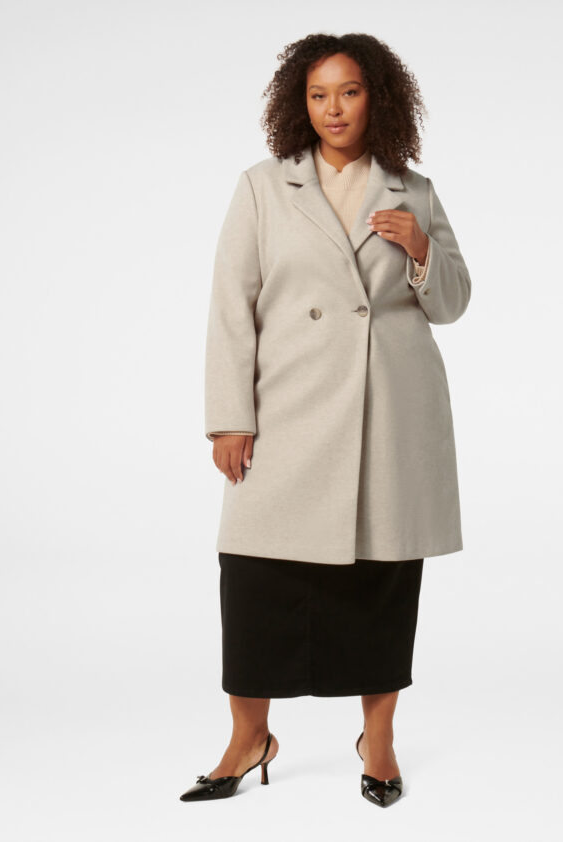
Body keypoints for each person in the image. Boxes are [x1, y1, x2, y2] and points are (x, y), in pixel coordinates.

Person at [180, 32, 472, 808]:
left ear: (377, 97)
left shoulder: (412, 190)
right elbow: (231, 306)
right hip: (289, 406)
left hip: (387, 411)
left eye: (348, 92)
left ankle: (378, 743)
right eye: (317, 95)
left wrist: (420, 250)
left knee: (382, 578)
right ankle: (249, 737)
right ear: (298, 103)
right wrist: (228, 419)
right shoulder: (262, 186)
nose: (332, 108)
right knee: (253, 574)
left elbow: (451, 303)